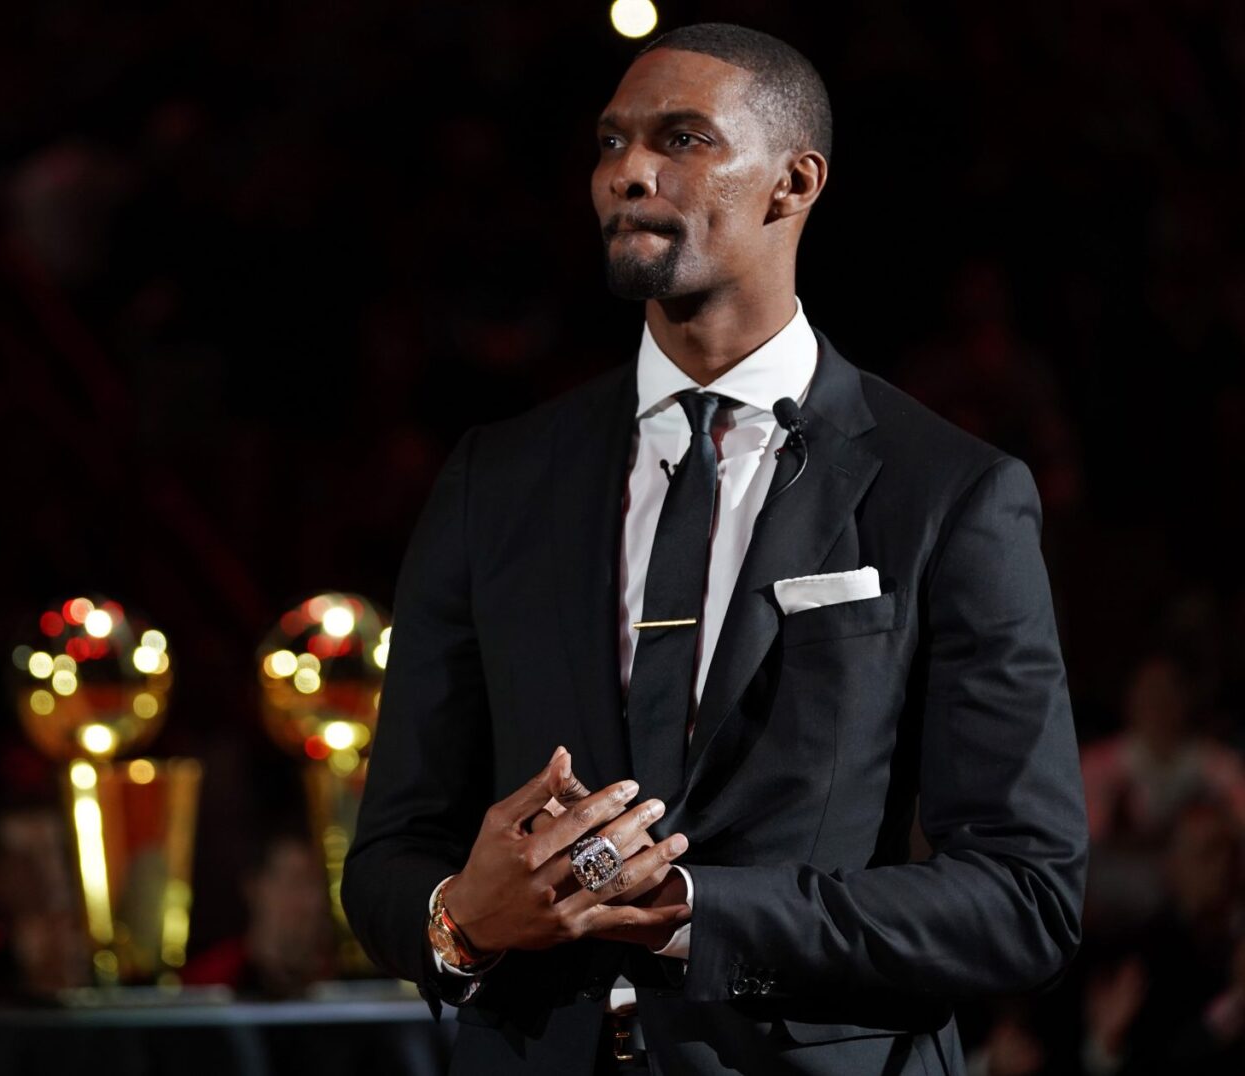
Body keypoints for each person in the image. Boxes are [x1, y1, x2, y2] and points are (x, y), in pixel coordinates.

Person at [343, 22, 1087, 1075]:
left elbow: (1024, 897)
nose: (627, 172)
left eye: (682, 139)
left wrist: (702, 912)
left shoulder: (949, 492)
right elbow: (389, 853)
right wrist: (460, 921)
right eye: (611, 142)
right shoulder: (494, 481)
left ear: (794, 183)